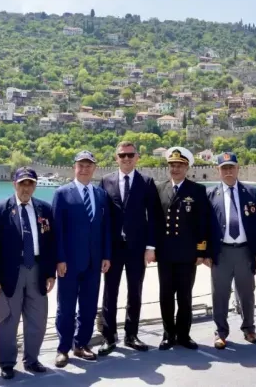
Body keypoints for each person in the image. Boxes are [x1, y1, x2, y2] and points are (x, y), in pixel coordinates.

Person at [0, 167, 56, 380]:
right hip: (9, 273)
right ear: (13, 184)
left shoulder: (45, 209)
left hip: (37, 270)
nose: (26, 188)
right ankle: (7, 362)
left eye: (30, 184)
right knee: (8, 320)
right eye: (22, 183)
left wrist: (50, 273)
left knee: (38, 319)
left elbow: (50, 243)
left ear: (35, 185)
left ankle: (32, 359)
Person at [98, 141, 162, 355]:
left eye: (130, 155)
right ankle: (109, 337)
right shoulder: (105, 181)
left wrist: (151, 247)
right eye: (122, 155)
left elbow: (154, 217)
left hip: (137, 248)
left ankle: (131, 335)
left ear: (137, 157)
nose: (126, 158)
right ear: (116, 158)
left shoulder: (147, 182)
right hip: (113, 249)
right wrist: (103, 249)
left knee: (135, 291)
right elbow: (102, 218)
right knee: (110, 292)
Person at [52, 151, 112, 368]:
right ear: (74, 168)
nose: (84, 169)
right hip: (68, 263)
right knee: (66, 308)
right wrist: (59, 259)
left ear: (94, 168)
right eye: (81, 165)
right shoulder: (62, 193)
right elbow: (56, 230)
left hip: (94, 262)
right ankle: (63, 349)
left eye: (88, 165)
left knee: (88, 306)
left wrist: (106, 255)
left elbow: (105, 228)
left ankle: (81, 344)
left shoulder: (100, 194)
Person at [154, 147, 215, 350]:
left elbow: (203, 223)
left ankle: (183, 335)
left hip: (187, 254)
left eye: (179, 165)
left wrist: (201, 251)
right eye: (172, 165)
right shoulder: (159, 189)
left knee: (185, 296)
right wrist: (152, 248)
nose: (175, 169)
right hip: (165, 253)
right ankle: (168, 334)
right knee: (165, 296)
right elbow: (154, 222)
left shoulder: (197, 190)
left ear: (187, 167)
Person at [207, 152, 256, 349]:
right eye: (224, 168)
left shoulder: (251, 192)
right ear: (218, 170)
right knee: (220, 295)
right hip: (221, 253)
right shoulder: (210, 194)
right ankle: (220, 332)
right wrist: (205, 253)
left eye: (231, 167)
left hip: (244, 252)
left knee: (247, 293)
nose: (228, 171)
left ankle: (249, 328)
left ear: (238, 168)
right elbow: (204, 227)